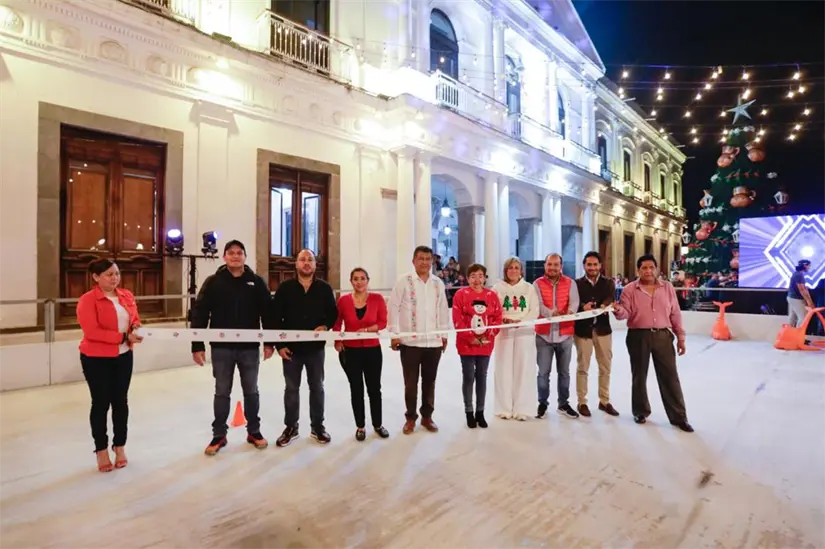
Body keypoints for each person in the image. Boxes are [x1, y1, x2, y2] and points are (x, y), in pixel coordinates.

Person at [190, 240, 276, 456]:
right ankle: (219, 435)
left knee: (251, 391)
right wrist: (197, 344)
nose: (235, 256)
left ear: (245, 257)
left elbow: (268, 313)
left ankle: (254, 431)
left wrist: (269, 342)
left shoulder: (256, 282)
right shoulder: (213, 282)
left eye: (239, 253)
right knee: (222, 392)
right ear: (224, 257)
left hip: (249, 349)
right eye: (231, 253)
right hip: (222, 349)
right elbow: (200, 313)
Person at [613, 254, 693, 433]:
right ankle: (640, 411)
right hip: (638, 336)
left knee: (670, 377)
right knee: (639, 375)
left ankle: (679, 417)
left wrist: (680, 336)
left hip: (663, 336)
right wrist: (618, 310)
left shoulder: (668, 287)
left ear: (657, 269)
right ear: (638, 270)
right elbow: (625, 312)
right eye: (644, 268)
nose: (648, 271)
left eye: (651, 267)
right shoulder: (629, 289)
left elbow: (675, 313)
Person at [76, 258, 143, 472]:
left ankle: (119, 446)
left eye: (117, 273)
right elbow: (92, 332)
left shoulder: (127, 295)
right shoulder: (88, 300)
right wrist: (123, 337)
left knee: (120, 402)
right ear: (96, 277)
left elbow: (134, 319)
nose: (115, 278)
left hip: (123, 356)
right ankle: (101, 449)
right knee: (101, 403)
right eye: (109, 274)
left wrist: (136, 328)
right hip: (96, 358)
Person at [272, 249, 338, 446]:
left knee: (317, 387)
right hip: (291, 350)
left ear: (315, 265)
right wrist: (280, 345)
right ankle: (291, 427)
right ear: (296, 264)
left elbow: (333, 313)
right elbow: (275, 318)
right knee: (291, 389)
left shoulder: (324, 289)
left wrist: (326, 325)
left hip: (315, 350)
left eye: (310, 259)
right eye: (302, 259)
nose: (307, 262)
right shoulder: (285, 288)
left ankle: (318, 427)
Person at [389, 246, 451, 435]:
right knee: (410, 383)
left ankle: (427, 416)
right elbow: (393, 307)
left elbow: (443, 309)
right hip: (410, 343)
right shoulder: (404, 281)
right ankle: (410, 418)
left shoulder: (438, 283)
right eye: (421, 258)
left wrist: (444, 335)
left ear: (432, 261)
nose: (424, 262)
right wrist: (394, 334)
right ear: (414, 261)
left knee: (429, 381)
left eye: (428, 259)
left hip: (433, 342)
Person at [333, 267, 390, 441]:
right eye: (355, 279)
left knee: (374, 389)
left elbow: (383, 322)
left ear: (368, 280)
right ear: (351, 282)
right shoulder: (343, 301)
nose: (359, 282)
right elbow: (337, 323)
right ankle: (360, 426)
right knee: (356, 389)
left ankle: (378, 424)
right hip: (351, 352)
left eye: (362, 278)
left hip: (372, 350)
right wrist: (338, 340)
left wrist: (368, 330)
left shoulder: (377, 299)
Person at [451, 263, 503, 429]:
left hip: (485, 344)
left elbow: (497, 318)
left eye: (480, 276)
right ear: (467, 278)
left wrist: (489, 335)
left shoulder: (491, 296)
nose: (477, 280)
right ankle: (469, 411)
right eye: (473, 276)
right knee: (468, 376)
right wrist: (470, 337)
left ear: (485, 278)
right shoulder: (460, 295)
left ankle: (480, 412)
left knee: (482, 376)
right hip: (466, 344)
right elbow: (457, 319)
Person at [492, 257, 540, 421]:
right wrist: (503, 320)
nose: (513, 270)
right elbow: (493, 309)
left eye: (516, 267)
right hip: (504, 332)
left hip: (524, 331)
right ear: (505, 270)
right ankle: (504, 408)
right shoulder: (497, 288)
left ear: (521, 271)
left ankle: (522, 408)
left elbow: (534, 310)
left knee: (523, 368)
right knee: (503, 368)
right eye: (510, 267)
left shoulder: (529, 288)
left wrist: (522, 321)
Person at [533, 253, 580, 420]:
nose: (552, 267)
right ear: (545, 265)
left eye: (556, 264)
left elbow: (574, 302)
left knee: (564, 373)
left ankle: (563, 404)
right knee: (543, 373)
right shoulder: (537, 284)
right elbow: (537, 305)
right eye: (549, 264)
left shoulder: (570, 283)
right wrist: (551, 313)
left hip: (565, 335)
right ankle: (542, 403)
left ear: (561, 266)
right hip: (543, 336)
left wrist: (570, 312)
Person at [573, 252, 619, 417]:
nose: (592, 268)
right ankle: (582, 402)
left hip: (603, 330)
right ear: (584, 266)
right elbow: (573, 303)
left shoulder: (609, 283)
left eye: (595, 264)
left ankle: (604, 401)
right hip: (582, 331)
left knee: (605, 367)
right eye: (589, 264)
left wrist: (603, 305)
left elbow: (610, 297)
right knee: (582, 368)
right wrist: (583, 307)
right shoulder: (576, 284)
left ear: (600, 266)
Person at [787, 259, 814, 328]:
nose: (809, 267)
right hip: (796, 299)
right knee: (803, 317)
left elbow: (803, 288)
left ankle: (789, 333)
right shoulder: (799, 275)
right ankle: (798, 334)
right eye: (809, 266)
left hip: (792, 298)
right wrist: (809, 302)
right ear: (805, 265)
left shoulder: (797, 273)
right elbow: (802, 290)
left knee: (793, 317)